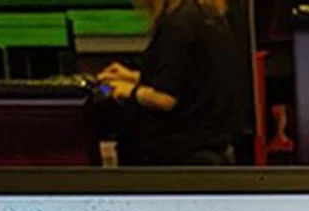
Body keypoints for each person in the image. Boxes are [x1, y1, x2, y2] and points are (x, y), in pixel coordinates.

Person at [99, 0, 248, 165]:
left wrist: (128, 91)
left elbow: (165, 99)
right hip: (208, 144)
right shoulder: (207, 16)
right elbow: (189, 77)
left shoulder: (178, 24)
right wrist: (134, 77)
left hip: (178, 152)